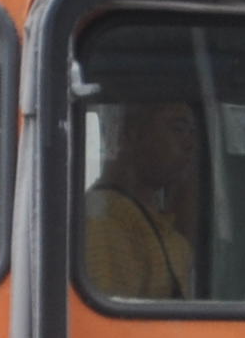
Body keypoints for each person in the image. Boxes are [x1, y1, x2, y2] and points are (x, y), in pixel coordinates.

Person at [83, 99, 201, 300]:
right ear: (131, 134)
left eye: (192, 133)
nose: (190, 145)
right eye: (178, 129)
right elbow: (114, 316)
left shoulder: (160, 226)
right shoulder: (105, 223)